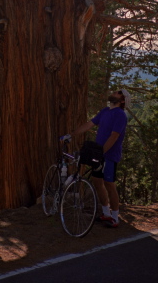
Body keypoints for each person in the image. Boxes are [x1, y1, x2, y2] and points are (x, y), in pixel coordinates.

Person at [61, 89, 130, 228]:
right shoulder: (105, 111)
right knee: (97, 182)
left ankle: (115, 218)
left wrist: (102, 153)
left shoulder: (120, 115)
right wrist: (72, 134)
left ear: (122, 100)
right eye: (115, 91)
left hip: (110, 155)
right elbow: (90, 124)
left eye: (118, 93)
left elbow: (114, 136)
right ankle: (106, 213)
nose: (114, 93)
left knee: (109, 184)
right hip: (99, 153)